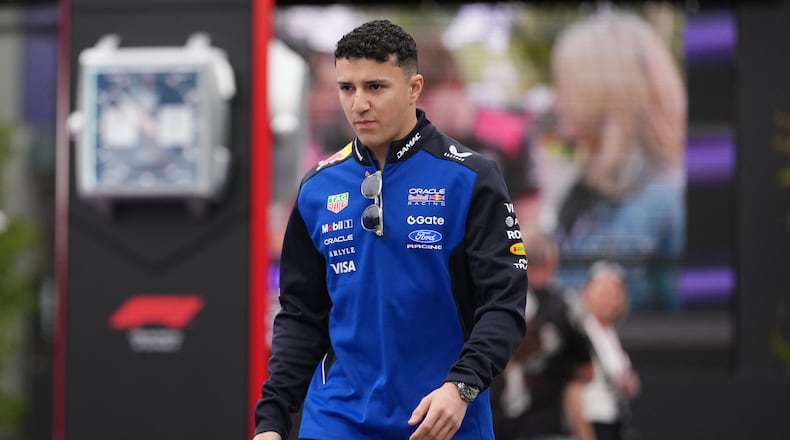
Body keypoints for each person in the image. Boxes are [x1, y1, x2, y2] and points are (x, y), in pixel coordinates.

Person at [252, 19, 528, 440]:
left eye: (375, 87)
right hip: (336, 419)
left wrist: (462, 387)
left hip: (440, 418)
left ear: (414, 88)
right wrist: (270, 422)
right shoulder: (317, 187)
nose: (359, 103)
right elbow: (301, 317)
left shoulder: (471, 178)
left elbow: (504, 305)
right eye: (347, 88)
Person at [548, 9, 687, 310]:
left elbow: (578, 310)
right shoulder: (595, 187)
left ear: (604, 93)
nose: (555, 100)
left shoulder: (651, 201)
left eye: (565, 86)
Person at [491, 227, 595, 440]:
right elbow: (587, 371)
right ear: (551, 261)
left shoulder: (490, 301)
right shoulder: (565, 306)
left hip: (493, 426)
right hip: (546, 425)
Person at [578, 261, 641, 440]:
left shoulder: (609, 332)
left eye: (615, 293)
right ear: (586, 292)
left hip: (612, 420)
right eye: (603, 292)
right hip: (589, 420)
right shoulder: (580, 329)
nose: (609, 299)